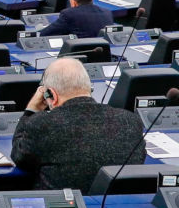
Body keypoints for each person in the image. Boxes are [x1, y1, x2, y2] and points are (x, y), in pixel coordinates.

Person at [10, 57, 144, 191]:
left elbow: (19, 156)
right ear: (89, 88)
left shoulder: (42, 123)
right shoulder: (131, 121)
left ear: (52, 95)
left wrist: (30, 111)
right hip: (119, 207)